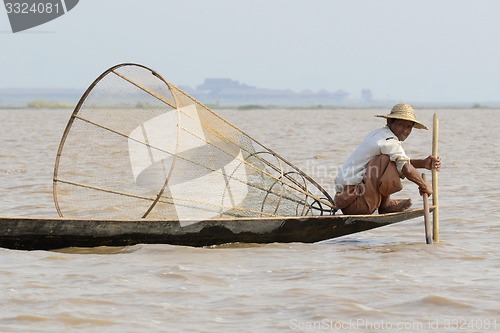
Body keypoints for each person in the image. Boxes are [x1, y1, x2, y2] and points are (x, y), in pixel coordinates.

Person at [334, 103, 441, 215]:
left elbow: (402, 164)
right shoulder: (389, 141)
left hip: (347, 200)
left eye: (409, 127)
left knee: (389, 160)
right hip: (356, 203)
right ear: (389, 122)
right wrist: (424, 186)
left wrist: (423, 163)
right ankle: (384, 206)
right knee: (385, 160)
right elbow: (406, 169)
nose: (405, 131)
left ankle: (384, 204)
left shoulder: (377, 134)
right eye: (401, 125)